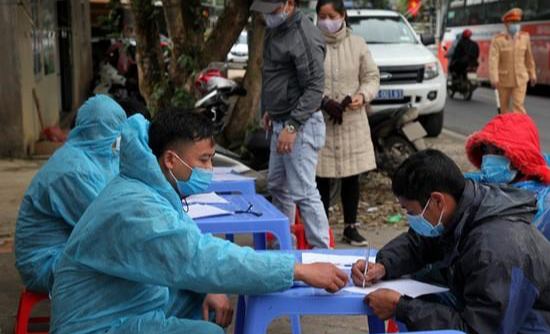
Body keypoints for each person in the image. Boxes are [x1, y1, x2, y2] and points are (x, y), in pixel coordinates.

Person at [50, 110, 348, 334]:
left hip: (126, 301)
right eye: (203, 160)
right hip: (95, 325)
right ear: (170, 160)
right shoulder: (136, 208)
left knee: (201, 298)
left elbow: (193, 246)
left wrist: (208, 286)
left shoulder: (148, 185)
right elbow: (201, 258)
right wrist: (296, 269)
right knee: (209, 330)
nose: (209, 169)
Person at [351, 149, 550, 333]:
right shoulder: (465, 209)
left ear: (437, 201)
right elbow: (422, 243)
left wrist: (401, 308)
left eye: (411, 211)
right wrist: (383, 265)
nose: (410, 218)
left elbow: (481, 329)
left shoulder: (495, 247)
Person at [14, 95, 127, 293]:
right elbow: (105, 225)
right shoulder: (74, 171)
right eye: (115, 132)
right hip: (44, 262)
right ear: (101, 132)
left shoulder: (93, 158)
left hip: (64, 249)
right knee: (130, 263)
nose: (119, 140)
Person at [250, 0, 331, 248]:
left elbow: (314, 88)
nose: (267, 17)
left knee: (303, 191)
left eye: (272, 11)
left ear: (289, 4)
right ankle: (285, 245)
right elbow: (278, 76)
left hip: (300, 126)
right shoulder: (279, 29)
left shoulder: (303, 36)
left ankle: (323, 253)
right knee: (278, 187)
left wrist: (292, 126)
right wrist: (271, 111)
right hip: (280, 121)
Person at [465, 113, 550, 281]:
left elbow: (508, 255)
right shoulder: (500, 185)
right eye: (485, 150)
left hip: (540, 295)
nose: (489, 158)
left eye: (499, 151)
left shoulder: (543, 203)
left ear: (520, 158)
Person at [313, 0, 380, 247]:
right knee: (321, 176)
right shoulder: (312, 44)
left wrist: (362, 96)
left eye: (332, 16)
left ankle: (350, 227)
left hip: (352, 119)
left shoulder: (358, 44)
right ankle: (321, 229)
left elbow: (371, 76)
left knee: (352, 176)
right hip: (320, 120)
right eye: (322, 17)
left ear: (343, 17)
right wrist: (322, 101)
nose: (327, 21)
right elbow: (305, 79)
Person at [489, 7, 536, 114]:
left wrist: (532, 73)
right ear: (506, 24)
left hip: (521, 78)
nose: (515, 25)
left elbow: (529, 57)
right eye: (513, 22)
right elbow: (493, 60)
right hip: (503, 79)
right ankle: (506, 128)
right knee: (503, 108)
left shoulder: (525, 37)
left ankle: (519, 129)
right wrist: (494, 77)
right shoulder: (498, 40)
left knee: (518, 106)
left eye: (517, 22)